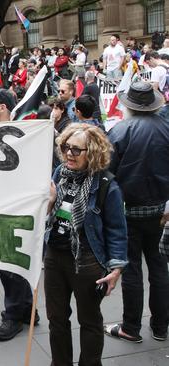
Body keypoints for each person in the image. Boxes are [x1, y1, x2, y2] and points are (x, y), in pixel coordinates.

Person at [45, 124, 128, 365]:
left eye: (76, 150)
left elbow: (117, 230)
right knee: (56, 319)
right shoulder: (59, 173)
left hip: (87, 260)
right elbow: (46, 216)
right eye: (66, 147)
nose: (69, 154)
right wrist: (49, 203)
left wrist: (116, 269)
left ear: (91, 152)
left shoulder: (105, 185)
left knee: (90, 321)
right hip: (54, 256)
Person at [104, 82, 169, 344]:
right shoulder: (165, 128)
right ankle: (161, 325)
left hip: (128, 212)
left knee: (131, 269)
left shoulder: (120, 130)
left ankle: (131, 326)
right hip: (158, 211)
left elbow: (107, 174)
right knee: (158, 265)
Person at [0, 89, 39, 341]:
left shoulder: (22, 135)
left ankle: (13, 315)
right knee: (11, 264)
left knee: (10, 263)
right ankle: (27, 309)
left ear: (2, 107)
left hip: (15, 208)